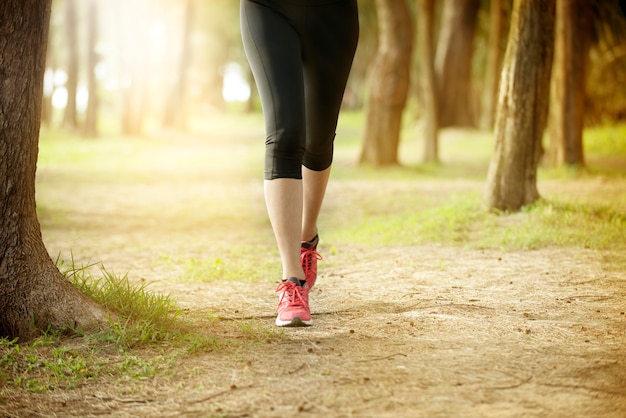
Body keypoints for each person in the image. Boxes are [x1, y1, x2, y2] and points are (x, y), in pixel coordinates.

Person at [240, 0, 359, 327]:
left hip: (334, 13)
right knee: (285, 134)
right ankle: (293, 281)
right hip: (267, 7)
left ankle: (307, 237)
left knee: (319, 141)